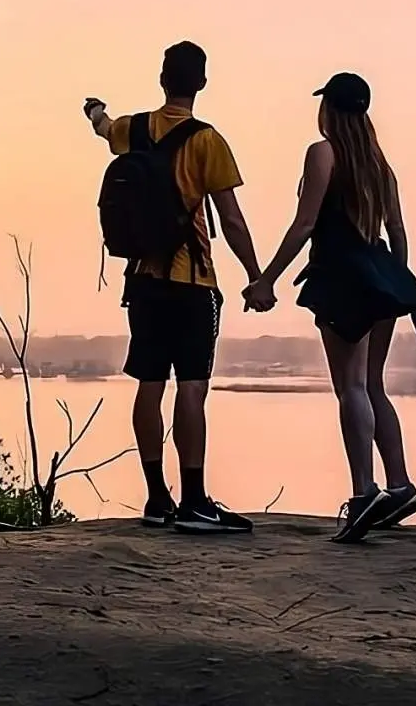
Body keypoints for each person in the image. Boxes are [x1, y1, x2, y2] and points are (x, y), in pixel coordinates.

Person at [244, 72, 416, 543]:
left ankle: (364, 491)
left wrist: (266, 278)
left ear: (328, 108)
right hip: (383, 276)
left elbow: (305, 223)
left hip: (343, 277)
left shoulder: (323, 153)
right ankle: (400, 483)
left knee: (350, 386)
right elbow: (398, 231)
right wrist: (391, 281)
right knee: (373, 384)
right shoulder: (378, 164)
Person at [83, 40, 262, 535]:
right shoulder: (207, 140)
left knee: (149, 383)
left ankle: (156, 496)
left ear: (162, 79)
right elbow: (231, 220)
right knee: (191, 387)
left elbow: (104, 129)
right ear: (200, 83)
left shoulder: (133, 130)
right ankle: (195, 499)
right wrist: (256, 278)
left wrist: (95, 111)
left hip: (141, 280)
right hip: (191, 281)